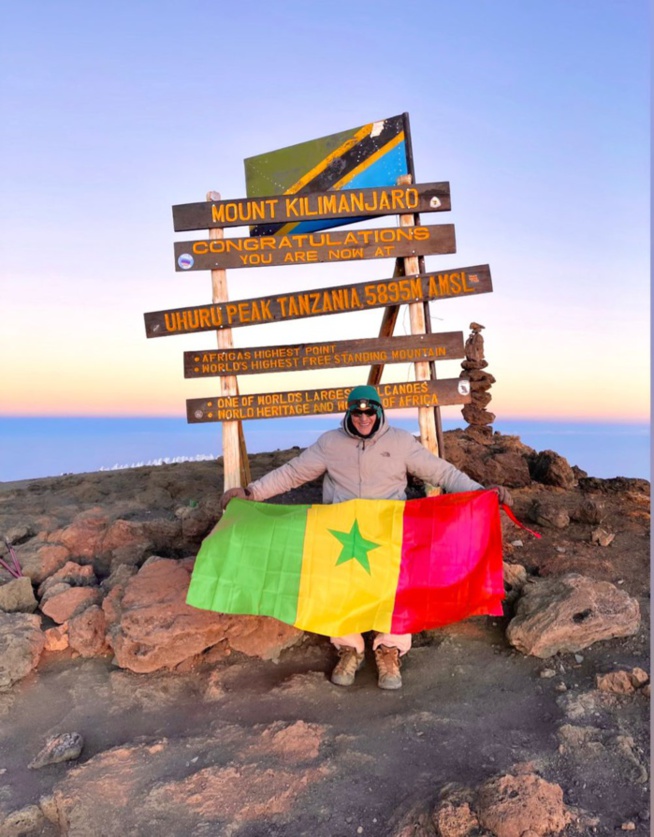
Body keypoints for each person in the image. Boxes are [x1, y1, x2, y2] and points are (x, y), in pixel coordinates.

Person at [220, 385, 512, 691]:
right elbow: (293, 473)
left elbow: (442, 473)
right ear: (349, 413)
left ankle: (390, 649)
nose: (363, 418)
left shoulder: (400, 442)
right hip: (341, 532)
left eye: (369, 412)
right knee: (341, 589)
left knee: (394, 590)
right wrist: (252, 492)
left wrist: (481, 492)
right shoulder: (330, 443)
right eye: (357, 412)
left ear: (379, 411)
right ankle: (349, 648)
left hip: (389, 532)